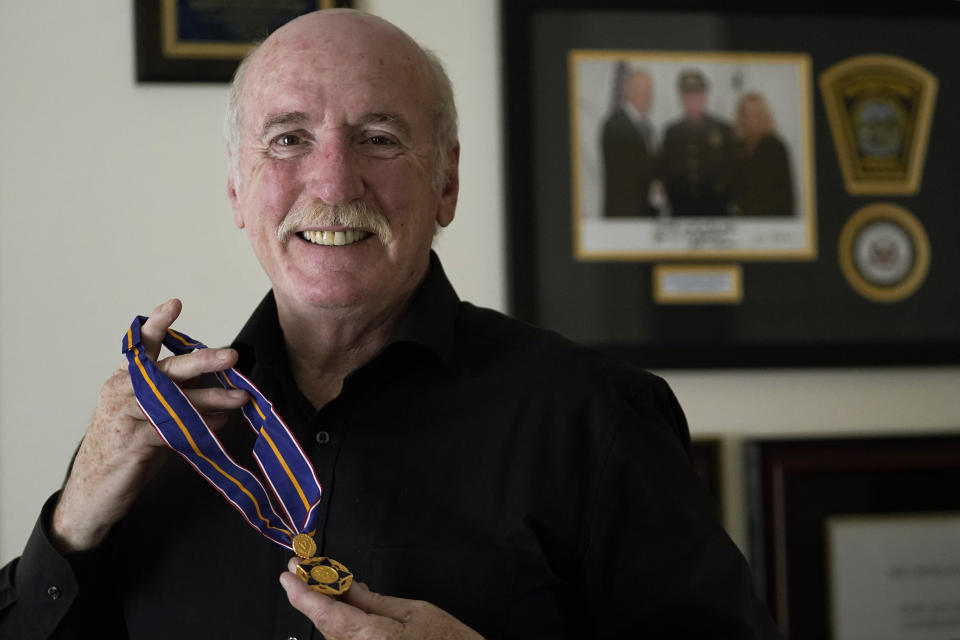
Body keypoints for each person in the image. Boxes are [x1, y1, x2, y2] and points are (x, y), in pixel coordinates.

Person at [0, 9, 781, 639]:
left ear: (446, 182)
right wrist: (72, 521)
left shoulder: (596, 419)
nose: (334, 180)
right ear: (238, 192)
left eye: (378, 139)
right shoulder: (152, 430)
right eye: (289, 139)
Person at [658, 68, 736, 216]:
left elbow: (733, 169)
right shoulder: (672, 132)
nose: (693, 100)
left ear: (705, 97)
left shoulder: (723, 129)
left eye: (697, 95)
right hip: (681, 209)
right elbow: (665, 170)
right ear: (681, 99)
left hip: (716, 208)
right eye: (688, 96)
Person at [601, 66, 659, 217]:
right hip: (624, 214)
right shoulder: (615, 125)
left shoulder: (648, 128)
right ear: (628, 91)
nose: (646, 95)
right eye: (640, 89)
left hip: (645, 214)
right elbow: (625, 173)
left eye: (649, 90)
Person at [729, 92, 794, 216]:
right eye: (747, 114)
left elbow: (786, 193)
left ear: (764, 115)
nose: (752, 118)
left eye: (756, 113)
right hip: (743, 220)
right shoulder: (737, 145)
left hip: (771, 220)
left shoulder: (776, 146)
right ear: (741, 117)